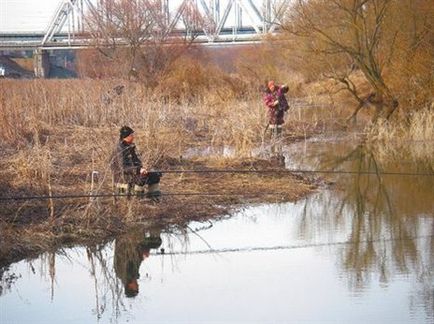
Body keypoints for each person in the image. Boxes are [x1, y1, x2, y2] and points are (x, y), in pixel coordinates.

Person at [111, 126, 162, 199]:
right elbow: (123, 167)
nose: (133, 137)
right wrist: (138, 170)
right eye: (131, 135)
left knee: (155, 175)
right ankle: (137, 199)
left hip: (133, 172)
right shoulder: (119, 149)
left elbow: (136, 162)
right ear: (126, 137)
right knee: (141, 179)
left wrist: (142, 169)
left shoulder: (130, 146)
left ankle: (154, 198)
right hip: (122, 175)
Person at [114, 227, 163, 298]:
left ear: (130, 287)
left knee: (156, 242)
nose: (138, 285)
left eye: (136, 288)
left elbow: (132, 257)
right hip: (125, 242)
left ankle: (155, 224)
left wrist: (143, 253)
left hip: (129, 243)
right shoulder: (122, 275)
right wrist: (143, 255)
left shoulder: (129, 275)